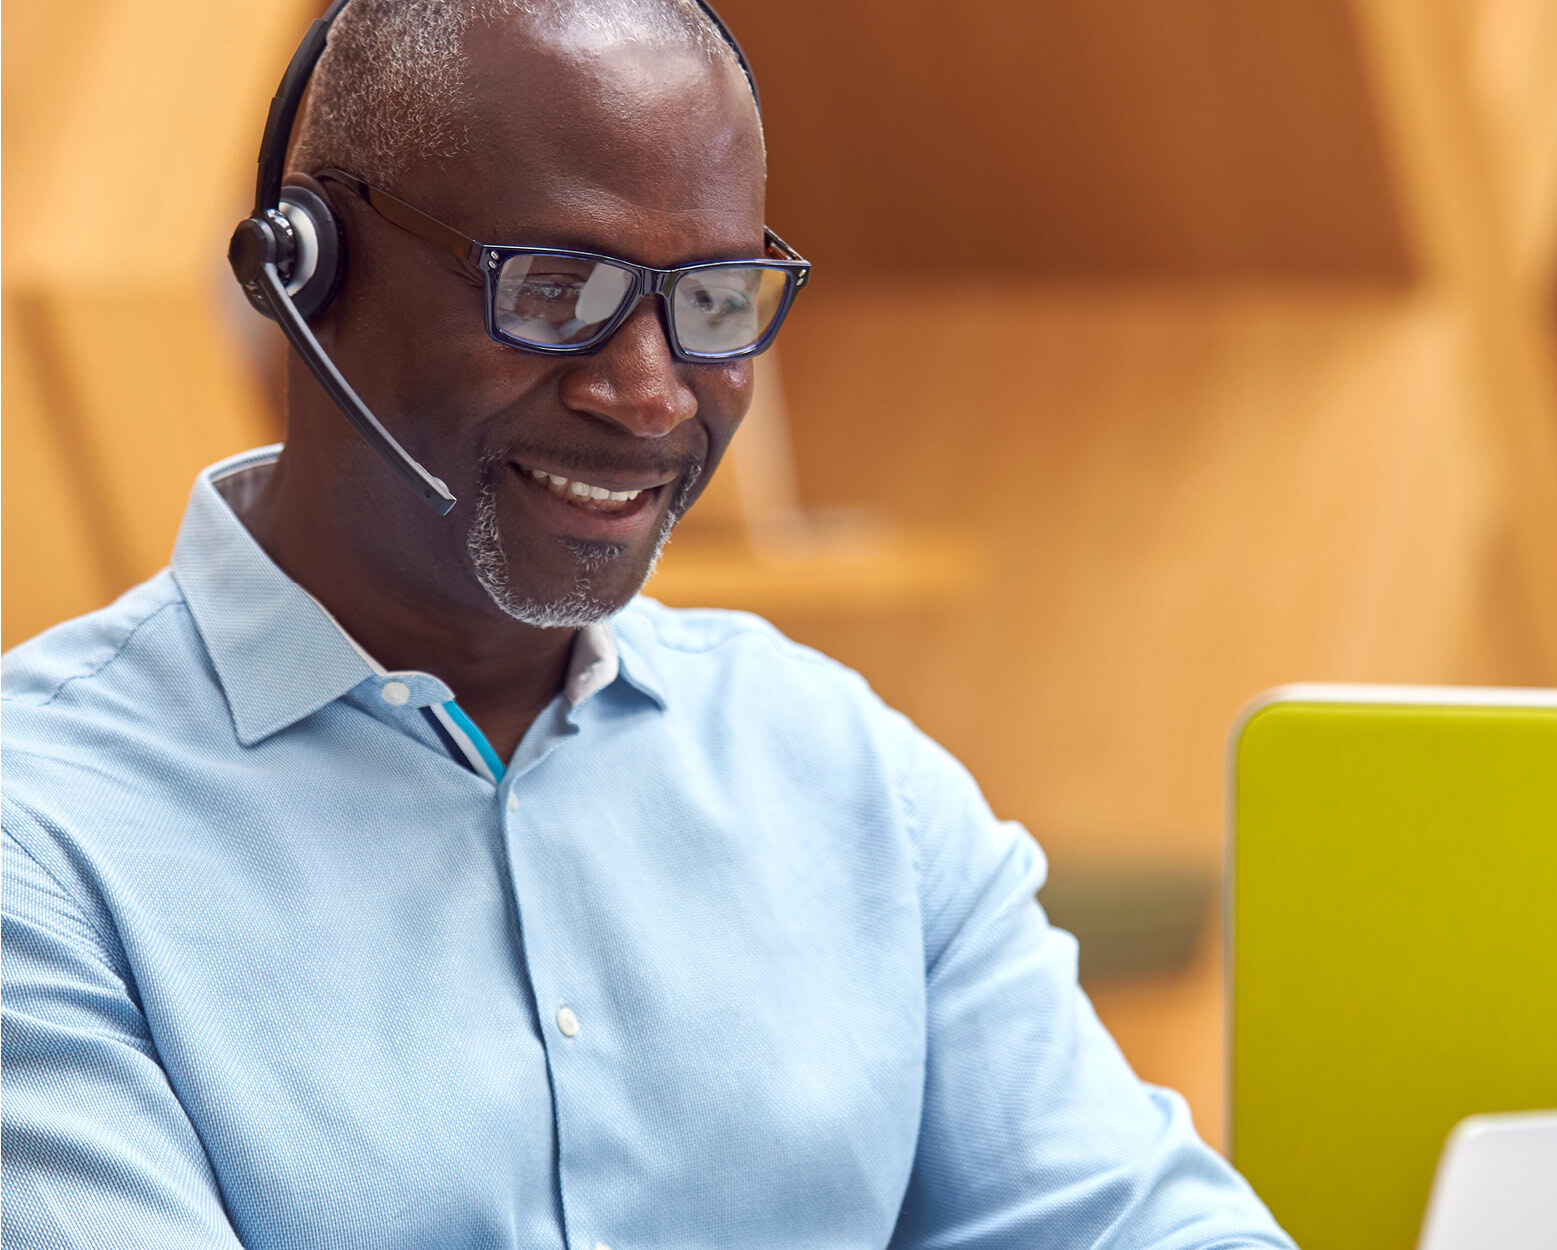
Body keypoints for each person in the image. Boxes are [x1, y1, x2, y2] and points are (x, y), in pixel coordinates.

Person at [1, 1, 1294, 1246]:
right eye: (560, 288)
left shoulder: (850, 778)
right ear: (307, 268)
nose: (648, 391)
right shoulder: (45, 831)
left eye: (715, 301)